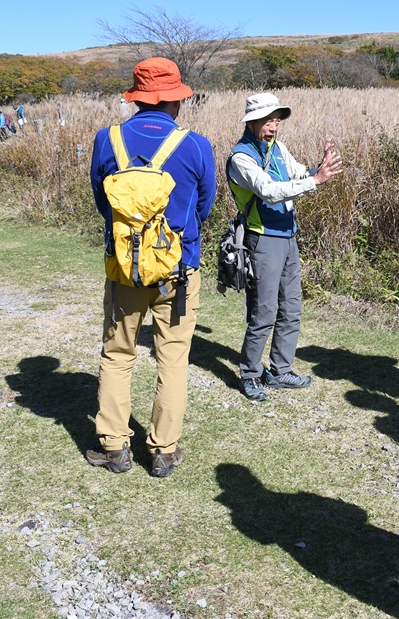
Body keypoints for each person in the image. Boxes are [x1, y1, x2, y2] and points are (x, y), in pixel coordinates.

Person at [86, 57, 217, 477]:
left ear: (137, 98)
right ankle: (163, 450)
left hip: (125, 269)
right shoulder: (196, 145)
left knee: (117, 354)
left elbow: (103, 203)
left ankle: (113, 447)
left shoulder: (106, 140)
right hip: (179, 269)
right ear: (175, 100)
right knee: (173, 358)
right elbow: (204, 207)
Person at [227, 92, 342, 402]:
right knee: (264, 311)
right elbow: (269, 191)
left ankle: (280, 370)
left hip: (288, 237)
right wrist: (315, 180)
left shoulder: (279, 149)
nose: (274, 125)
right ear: (251, 122)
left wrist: (319, 169)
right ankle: (250, 374)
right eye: (268, 120)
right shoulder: (241, 158)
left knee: (291, 307)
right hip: (262, 239)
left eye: (277, 119)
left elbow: (299, 174)